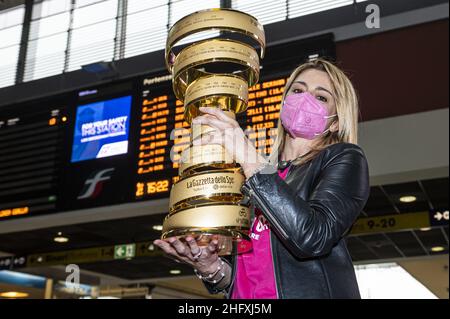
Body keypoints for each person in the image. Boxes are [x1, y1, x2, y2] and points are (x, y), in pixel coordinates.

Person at [153, 58, 370, 299]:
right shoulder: (256, 177)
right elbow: (244, 274)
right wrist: (210, 267)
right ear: (284, 102)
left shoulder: (344, 158)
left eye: (321, 97)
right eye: (297, 90)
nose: (304, 99)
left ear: (336, 121)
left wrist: (247, 154)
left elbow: (313, 236)